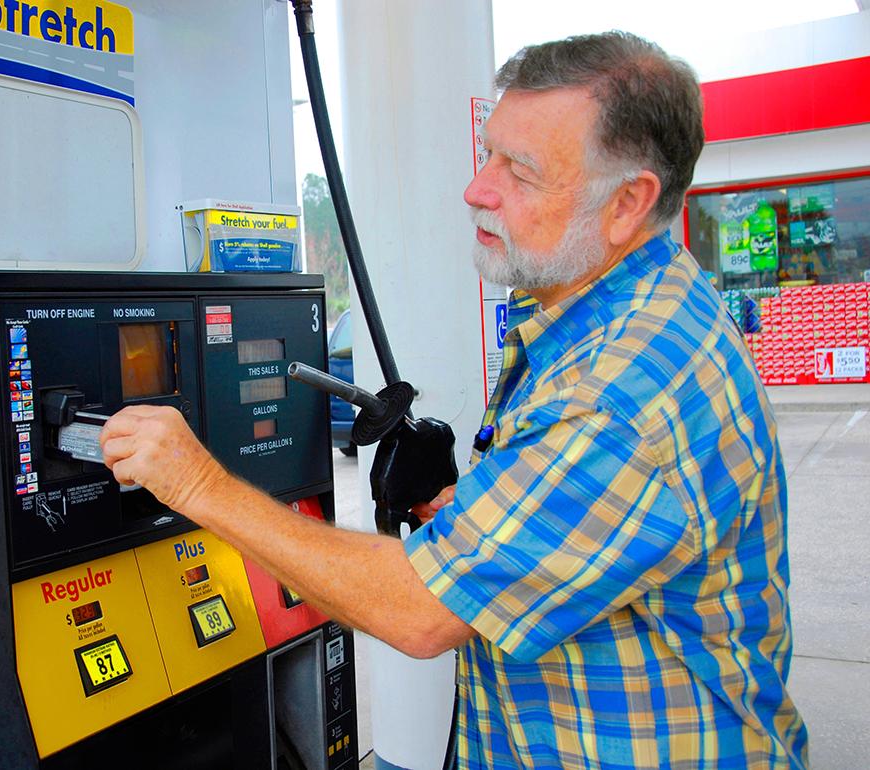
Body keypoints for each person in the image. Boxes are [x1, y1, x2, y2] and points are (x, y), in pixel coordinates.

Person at [100, 31, 808, 769]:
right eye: (489, 151)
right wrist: (464, 505)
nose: (478, 188)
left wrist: (196, 482)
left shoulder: (620, 394)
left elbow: (418, 612)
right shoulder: (619, 304)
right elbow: (585, 530)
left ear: (628, 202)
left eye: (521, 171)